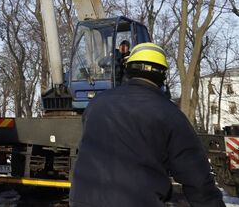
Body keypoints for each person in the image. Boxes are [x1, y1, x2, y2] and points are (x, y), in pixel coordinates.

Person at [71, 43, 224, 207]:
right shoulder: (169, 113)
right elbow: (196, 177)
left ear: (128, 69)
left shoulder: (96, 104)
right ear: (162, 76)